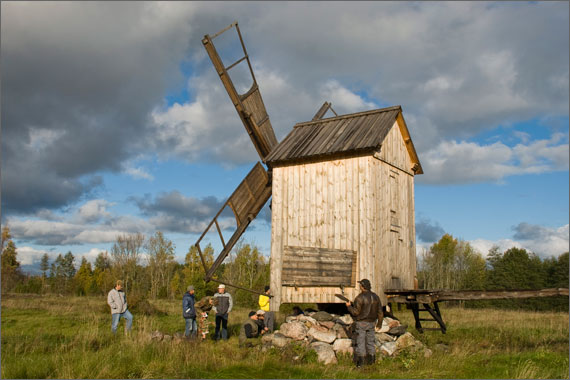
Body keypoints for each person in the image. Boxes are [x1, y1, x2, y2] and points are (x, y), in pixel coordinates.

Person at [345, 278, 383, 367]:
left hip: (361, 323)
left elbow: (355, 312)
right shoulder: (376, 297)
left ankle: (360, 365)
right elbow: (380, 312)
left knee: (360, 343)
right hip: (372, 322)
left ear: (362, 286)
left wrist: (349, 306)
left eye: (360, 285)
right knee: (370, 342)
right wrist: (379, 323)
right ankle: (372, 364)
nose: (359, 287)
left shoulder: (359, 298)